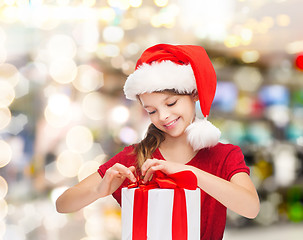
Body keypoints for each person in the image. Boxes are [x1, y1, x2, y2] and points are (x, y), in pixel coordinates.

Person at [56, 44, 260, 239]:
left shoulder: (223, 156)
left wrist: (191, 174)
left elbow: (251, 207)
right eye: (151, 111)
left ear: (194, 94)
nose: (163, 116)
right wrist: (98, 190)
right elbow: (62, 204)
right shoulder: (136, 157)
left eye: (171, 103)